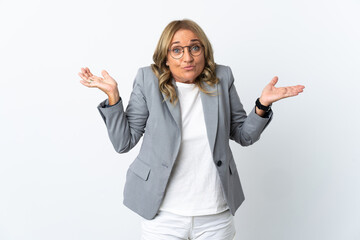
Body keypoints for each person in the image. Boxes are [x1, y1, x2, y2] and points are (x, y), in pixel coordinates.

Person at [79, 19, 304, 240]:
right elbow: (123, 142)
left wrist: (262, 105)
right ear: (165, 58)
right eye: (177, 50)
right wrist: (113, 98)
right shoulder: (148, 79)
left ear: (204, 51)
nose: (188, 57)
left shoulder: (221, 78)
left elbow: (244, 135)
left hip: (215, 215)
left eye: (195, 47)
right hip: (162, 215)